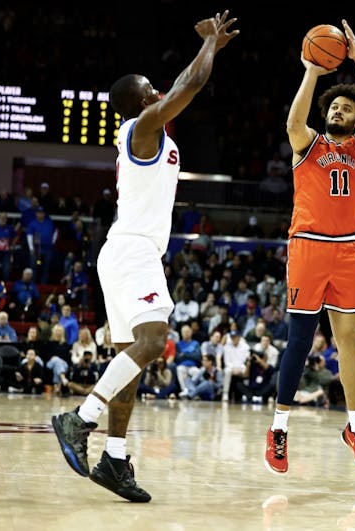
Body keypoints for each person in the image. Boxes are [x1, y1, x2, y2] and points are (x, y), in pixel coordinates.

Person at [51, 10, 239, 504]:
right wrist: (211, 47)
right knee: (154, 341)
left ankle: (114, 458)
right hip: (133, 250)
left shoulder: (149, 127)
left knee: (130, 361)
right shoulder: (141, 127)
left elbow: (179, 84)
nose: (160, 90)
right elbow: (190, 86)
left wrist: (200, 52)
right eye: (151, 87)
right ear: (140, 100)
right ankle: (80, 419)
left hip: (126, 251)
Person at [265, 19, 355, 476]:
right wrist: (313, 71)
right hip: (308, 246)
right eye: (333, 106)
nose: (337, 110)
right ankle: (278, 429)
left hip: (346, 250)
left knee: (349, 341)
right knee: (299, 340)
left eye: (344, 108)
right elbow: (293, 119)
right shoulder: (308, 143)